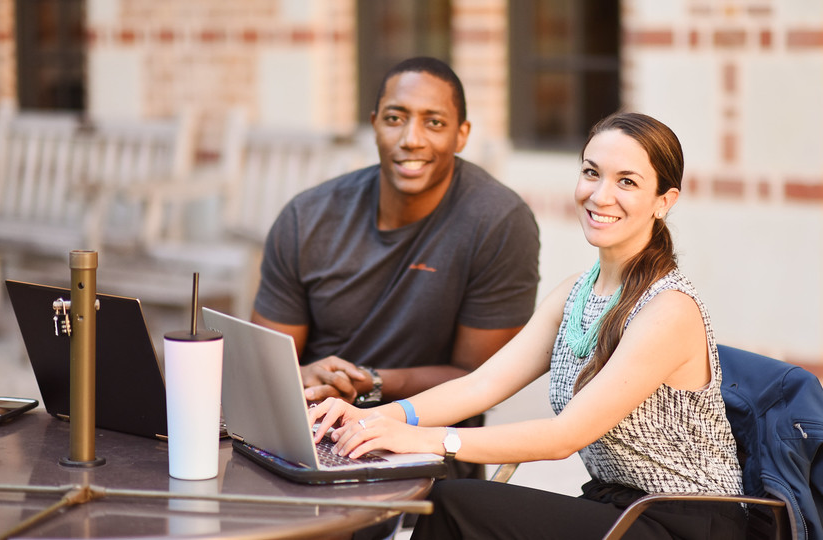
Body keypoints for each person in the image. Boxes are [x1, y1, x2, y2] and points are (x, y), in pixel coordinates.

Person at [309, 112, 747, 539]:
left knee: (455, 505)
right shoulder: (578, 290)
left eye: (627, 182)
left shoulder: (668, 308)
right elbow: (481, 386)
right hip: (616, 506)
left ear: (664, 201)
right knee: (454, 502)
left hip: (684, 520)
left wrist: (425, 440)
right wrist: (373, 419)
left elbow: (564, 437)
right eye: (592, 173)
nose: (600, 195)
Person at [251, 57, 540, 481]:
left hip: (421, 444)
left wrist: (373, 381)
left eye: (434, 123)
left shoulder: (497, 221)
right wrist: (300, 374)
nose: (411, 139)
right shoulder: (307, 216)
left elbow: (479, 381)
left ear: (462, 134)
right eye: (395, 118)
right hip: (310, 433)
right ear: (374, 125)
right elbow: (261, 363)